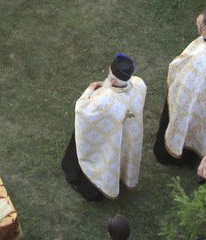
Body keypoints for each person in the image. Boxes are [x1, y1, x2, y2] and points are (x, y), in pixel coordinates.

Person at [61, 53, 146, 201]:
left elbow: (82, 109)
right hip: (126, 136)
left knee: (98, 153)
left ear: (113, 78)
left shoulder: (105, 100)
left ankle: (88, 183)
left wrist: (90, 89)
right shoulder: (139, 85)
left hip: (106, 138)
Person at [154, 10, 206, 167]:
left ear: (204, 30)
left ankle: (174, 154)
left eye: (198, 25)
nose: (197, 27)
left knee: (182, 121)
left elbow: (183, 79)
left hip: (194, 98)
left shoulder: (199, 57)